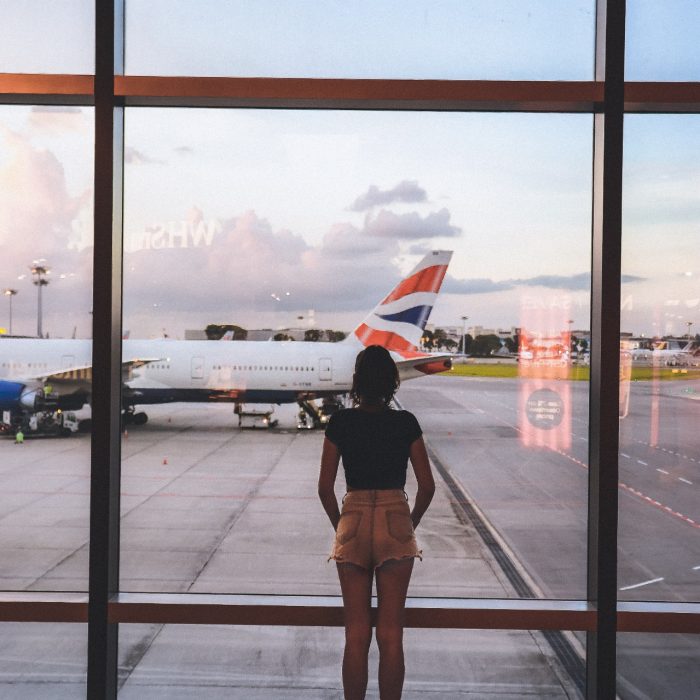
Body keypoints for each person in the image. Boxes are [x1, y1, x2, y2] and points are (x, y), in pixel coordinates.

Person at [318, 345, 435, 699]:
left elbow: (324, 488)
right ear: (391, 382)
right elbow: (426, 487)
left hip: (352, 516)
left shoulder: (340, 422)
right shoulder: (406, 423)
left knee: (355, 634)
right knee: (391, 634)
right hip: (395, 517)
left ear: (357, 382)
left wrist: (342, 526)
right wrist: (407, 525)